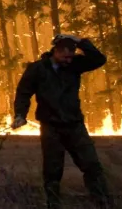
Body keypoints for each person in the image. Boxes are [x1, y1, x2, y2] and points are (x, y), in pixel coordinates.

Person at [12, 33, 111, 208]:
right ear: (56, 52)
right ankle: (53, 204)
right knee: (52, 171)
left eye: (71, 56)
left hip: (74, 124)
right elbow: (23, 92)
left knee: (91, 165)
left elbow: (99, 59)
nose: (68, 60)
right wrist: (20, 115)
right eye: (65, 57)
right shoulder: (38, 69)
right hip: (51, 127)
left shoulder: (74, 65)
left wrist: (80, 41)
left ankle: (102, 202)